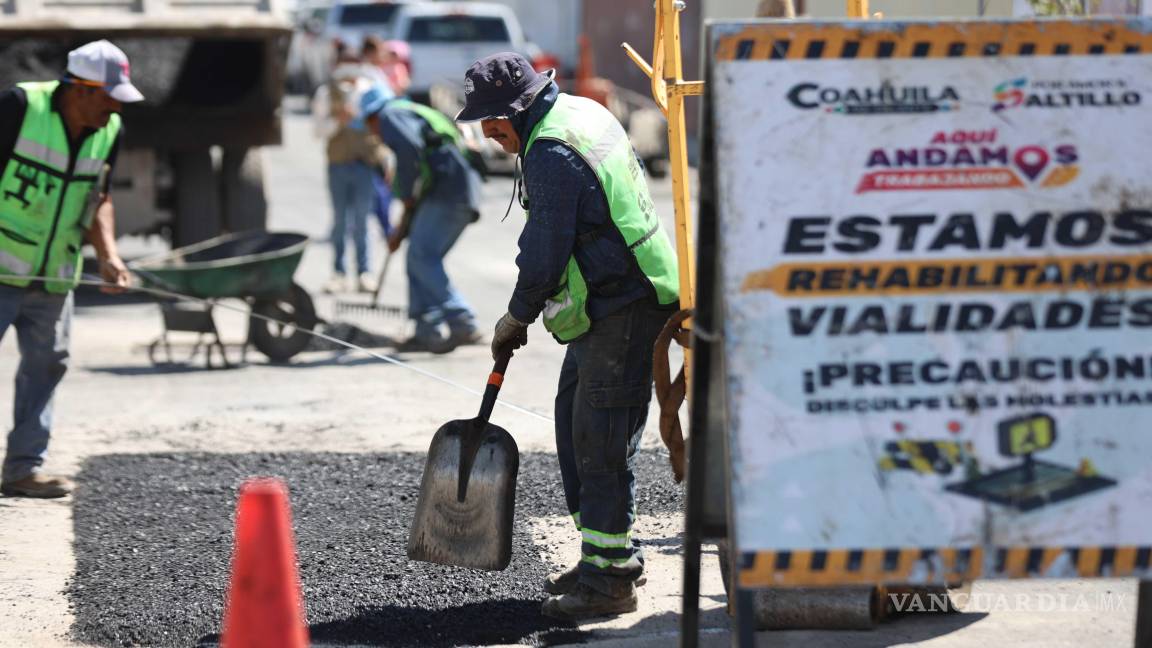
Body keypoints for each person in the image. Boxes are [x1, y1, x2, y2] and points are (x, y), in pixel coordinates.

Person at [456, 53, 680, 619]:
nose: (488, 131)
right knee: (576, 428)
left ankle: (610, 582)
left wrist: (516, 317)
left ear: (520, 108)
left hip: (625, 303)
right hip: (607, 302)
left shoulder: (553, 152)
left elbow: (544, 252)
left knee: (600, 445)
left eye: (493, 119)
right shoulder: (576, 112)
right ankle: (606, 554)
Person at [0, 40, 140, 498]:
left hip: (55, 272)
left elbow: (99, 197)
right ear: (80, 89)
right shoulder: (19, 108)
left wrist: (109, 254)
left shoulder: (109, 129)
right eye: (109, 97)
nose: (116, 106)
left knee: (47, 366)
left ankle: (23, 469)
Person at [359, 87, 483, 353]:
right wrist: (401, 230)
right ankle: (425, 330)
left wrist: (405, 193)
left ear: (372, 117)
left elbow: (409, 149)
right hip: (457, 189)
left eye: (370, 126)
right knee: (418, 258)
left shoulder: (390, 115)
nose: (373, 133)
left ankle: (462, 320)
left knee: (421, 256)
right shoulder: (412, 112)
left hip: (448, 190)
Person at [311, 44, 392, 293]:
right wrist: (338, 121)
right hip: (338, 165)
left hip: (364, 165)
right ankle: (338, 272)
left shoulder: (371, 89)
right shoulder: (326, 93)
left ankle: (364, 272)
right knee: (339, 221)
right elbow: (317, 131)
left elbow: (385, 122)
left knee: (362, 222)